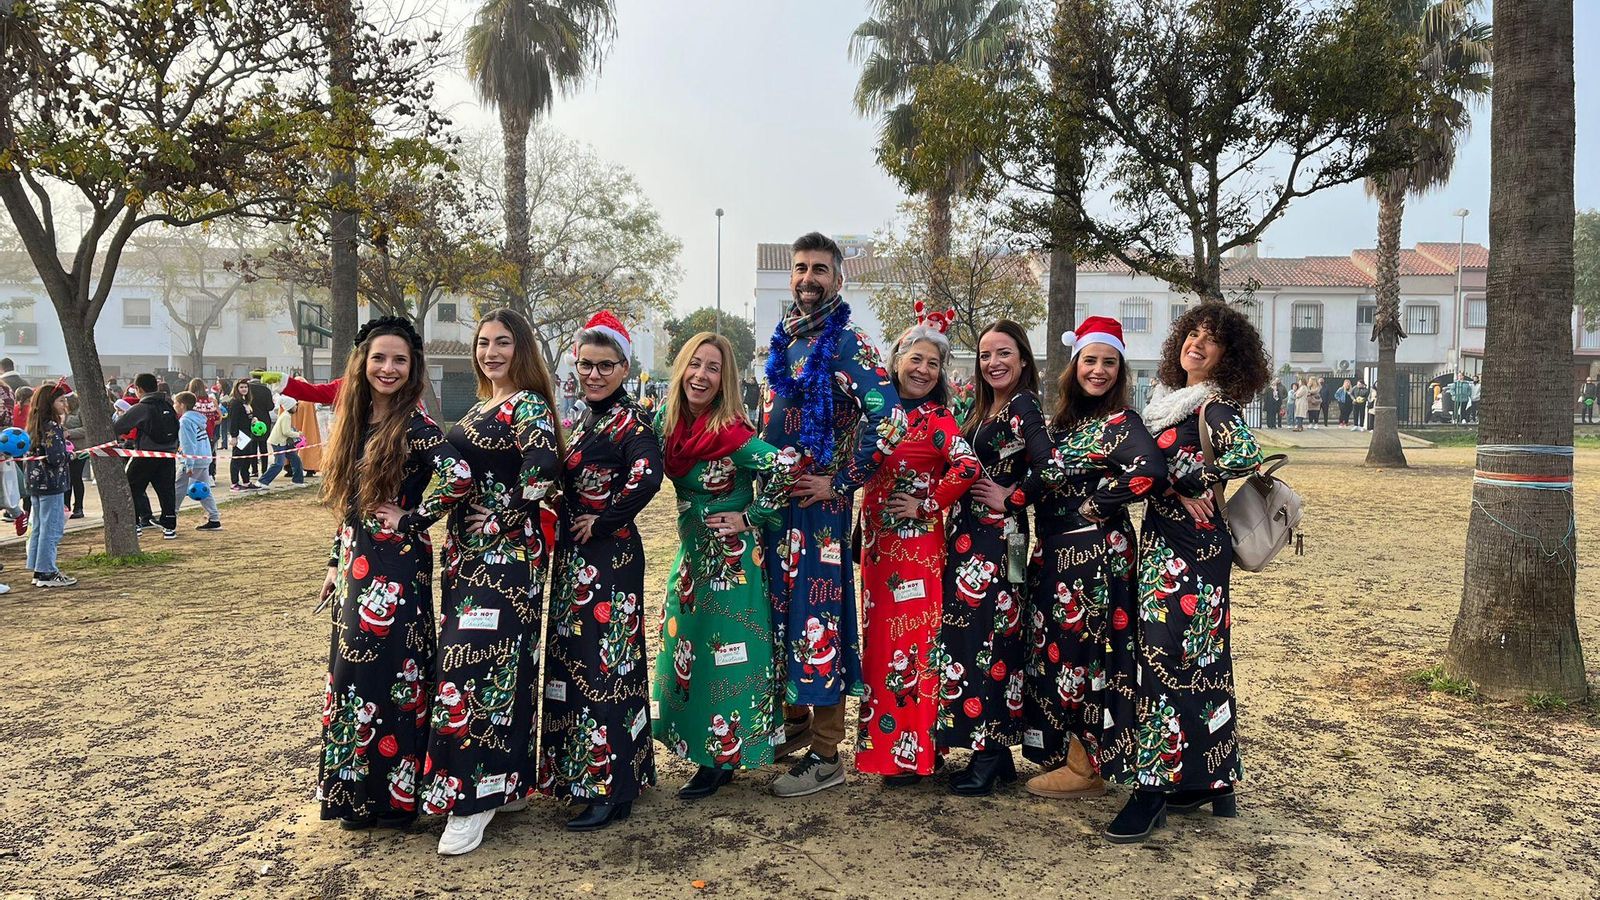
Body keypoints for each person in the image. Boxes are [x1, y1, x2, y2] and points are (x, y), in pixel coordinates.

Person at [384, 308, 563, 855]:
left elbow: (546, 471)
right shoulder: (484, 404)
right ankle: (502, 783)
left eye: (503, 343)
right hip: (466, 560)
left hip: (505, 562)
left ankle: (469, 800)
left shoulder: (527, 403)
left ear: (521, 350)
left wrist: (504, 517)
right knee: (500, 669)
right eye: (483, 343)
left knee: (476, 668)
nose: (491, 352)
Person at [1101, 303, 1268, 843]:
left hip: (1188, 554)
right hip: (1170, 545)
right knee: (1200, 660)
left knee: (1164, 662)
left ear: (1227, 356)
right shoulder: (1169, 404)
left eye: (1210, 340)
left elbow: (1247, 456)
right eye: (1191, 335)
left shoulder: (1213, 405)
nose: (1195, 345)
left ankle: (1151, 793)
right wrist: (1176, 485)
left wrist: (1193, 482)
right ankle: (1212, 781)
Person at [760, 232, 906, 799]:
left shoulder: (850, 344)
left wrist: (841, 481)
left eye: (820, 269)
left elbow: (889, 422)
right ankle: (797, 723)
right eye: (801, 268)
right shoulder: (786, 342)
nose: (808, 278)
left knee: (817, 621)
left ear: (837, 279)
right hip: (780, 511)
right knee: (783, 614)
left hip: (820, 516)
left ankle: (826, 753)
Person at [315, 316, 472, 830]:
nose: (388, 368)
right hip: (356, 565)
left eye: (399, 360)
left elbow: (459, 475)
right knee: (353, 675)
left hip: (396, 566)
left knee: (393, 675)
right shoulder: (355, 420)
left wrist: (415, 517)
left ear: (413, 368)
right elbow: (347, 502)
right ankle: (356, 797)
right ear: (362, 363)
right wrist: (334, 564)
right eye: (379, 358)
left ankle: (393, 800)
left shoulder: (415, 424)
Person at [652, 332, 799, 800]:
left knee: (727, 659)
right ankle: (700, 747)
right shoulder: (667, 423)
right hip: (693, 559)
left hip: (732, 566)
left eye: (713, 368)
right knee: (689, 651)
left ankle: (720, 760)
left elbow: (783, 468)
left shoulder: (732, 432)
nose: (701, 375)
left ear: (724, 380)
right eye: (695, 364)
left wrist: (749, 517)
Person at [1024, 317, 1163, 801]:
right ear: (1074, 365)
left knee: (1090, 655)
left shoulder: (1123, 422)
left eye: (1109, 362)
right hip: (1057, 555)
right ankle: (1069, 755)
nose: (1098, 370)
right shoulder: (1063, 423)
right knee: (1059, 652)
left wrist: (1098, 505)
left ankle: (1087, 768)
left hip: (1095, 557)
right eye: (1090, 360)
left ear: (1120, 369)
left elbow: (1150, 471)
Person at [539, 311, 664, 831]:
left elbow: (647, 476)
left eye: (605, 365)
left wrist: (606, 517)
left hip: (607, 560)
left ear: (623, 367)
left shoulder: (631, 421)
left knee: (604, 669)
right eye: (585, 365)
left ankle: (610, 787)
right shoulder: (587, 416)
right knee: (578, 666)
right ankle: (592, 774)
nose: (593, 374)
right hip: (577, 560)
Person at [855, 312, 979, 787]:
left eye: (933, 363)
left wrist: (927, 503)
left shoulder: (938, 420)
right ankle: (888, 750)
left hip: (916, 554)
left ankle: (912, 755)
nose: (923, 369)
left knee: (913, 647)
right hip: (876, 548)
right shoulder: (878, 414)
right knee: (880, 647)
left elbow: (966, 468)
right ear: (897, 360)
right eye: (916, 358)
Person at [937, 319, 1058, 796]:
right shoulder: (985, 409)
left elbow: (1051, 467)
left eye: (1003, 353)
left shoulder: (1025, 404)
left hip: (996, 543)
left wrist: (1012, 497)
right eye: (986, 355)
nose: (993, 363)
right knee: (973, 643)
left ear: (1023, 359)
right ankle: (997, 753)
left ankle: (988, 756)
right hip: (968, 539)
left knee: (987, 643)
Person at [112, 373, 181, 539]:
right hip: (168, 454)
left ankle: (134, 524)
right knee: (166, 491)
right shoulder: (167, 404)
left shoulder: (142, 407)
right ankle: (169, 526)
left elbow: (119, 426)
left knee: (132, 488)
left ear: (139, 389)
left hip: (146, 454)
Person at [25, 381, 77, 588]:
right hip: (52, 483)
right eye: (61, 400)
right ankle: (47, 571)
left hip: (36, 483)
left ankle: (38, 568)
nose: (64, 404)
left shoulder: (35, 424)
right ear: (50, 402)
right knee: (52, 527)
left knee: (39, 526)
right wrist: (69, 454)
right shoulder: (52, 427)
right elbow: (55, 458)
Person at [172, 391, 222, 531]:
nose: (174, 406)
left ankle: (170, 516)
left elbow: (188, 444)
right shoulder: (198, 419)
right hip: (204, 458)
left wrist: (188, 464)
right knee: (204, 489)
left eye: (176, 403)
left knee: (178, 488)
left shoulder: (185, 421)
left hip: (193, 460)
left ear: (182, 405)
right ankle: (214, 518)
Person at [256, 396, 305, 487]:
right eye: (295, 406)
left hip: (284, 442)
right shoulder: (286, 416)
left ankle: (298, 481)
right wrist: (298, 434)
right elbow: (286, 432)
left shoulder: (286, 415)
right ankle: (262, 481)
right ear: (290, 407)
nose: (296, 407)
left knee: (296, 459)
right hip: (278, 442)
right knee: (279, 464)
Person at [226, 380, 262, 490]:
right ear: (237, 389)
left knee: (246, 459)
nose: (244, 389)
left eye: (246, 387)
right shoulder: (235, 402)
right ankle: (234, 483)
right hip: (240, 435)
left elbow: (246, 416)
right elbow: (233, 420)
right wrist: (234, 436)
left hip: (248, 433)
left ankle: (246, 481)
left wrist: (253, 419)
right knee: (237, 459)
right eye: (241, 387)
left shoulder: (245, 401)